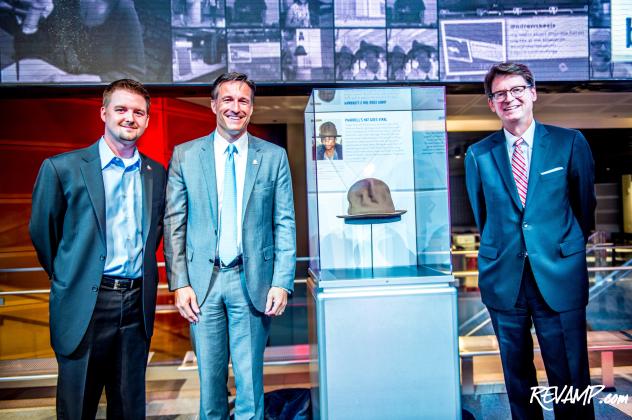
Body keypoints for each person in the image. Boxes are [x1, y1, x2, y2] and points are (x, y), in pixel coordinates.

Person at [465, 62, 596, 419]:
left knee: (569, 377)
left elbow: (584, 206)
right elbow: (484, 215)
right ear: (491, 104)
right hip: (505, 279)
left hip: (559, 275)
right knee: (518, 378)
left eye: (517, 90)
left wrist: (561, 247)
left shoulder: (569, 143)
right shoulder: (479, 154)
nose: (510, 98)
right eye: (500, 94)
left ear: (533, 93)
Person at [29, 79, 166, 419]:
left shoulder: (157, 173)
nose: (129, 118)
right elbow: (43, 233)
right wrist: (72, 276)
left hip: (136, 306)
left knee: (130, 406)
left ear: (148, 120)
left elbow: (157, 234)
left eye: (138, 112)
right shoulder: (62, 168)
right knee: (78, 408)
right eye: (121, 109)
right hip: (86, 305)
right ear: (103, 113)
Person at [164, 72, 296, 419]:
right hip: (202, 288)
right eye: (227, 99)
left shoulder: (273, 157)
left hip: (252, 282)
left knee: (251, 387)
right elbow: (174, 224)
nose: (235, 107)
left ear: (251, 109)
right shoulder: (186, 156)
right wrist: (179, 283)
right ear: (213, 105)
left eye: (243, 101)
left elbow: (284, 222)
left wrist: (282, 281)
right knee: (210, 387)